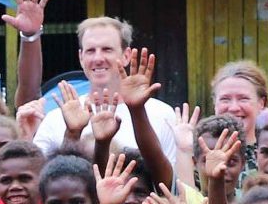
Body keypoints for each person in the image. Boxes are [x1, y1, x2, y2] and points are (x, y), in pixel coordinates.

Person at [32, 17, 181, 166]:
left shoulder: (162, 115)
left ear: (126, 56)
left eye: (107, 50)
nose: (98, 58)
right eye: (90, 51)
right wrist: (71, 134)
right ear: (81, 57)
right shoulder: (55, 119)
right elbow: (38, 178)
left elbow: (174, 183)